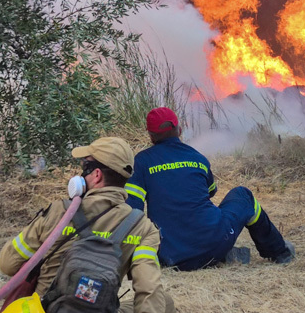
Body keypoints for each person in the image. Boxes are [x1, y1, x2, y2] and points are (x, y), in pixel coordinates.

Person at [0, 137, 190, 313]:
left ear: (95, 176)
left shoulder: (57, 211)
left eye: (83, 169)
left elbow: (8, 264)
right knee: (164, 303)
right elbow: (148, 287)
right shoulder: (142, 227)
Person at [124, 107, 295, 271]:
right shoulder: (198, 158)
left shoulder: (141, 162)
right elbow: (211, 191)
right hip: (215, 243)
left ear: (151, 136)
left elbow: (132, 209)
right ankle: (279, 252)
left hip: (170, 254)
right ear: (179, 129)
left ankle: (220, 255)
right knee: (243, 196)